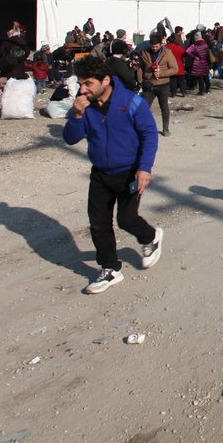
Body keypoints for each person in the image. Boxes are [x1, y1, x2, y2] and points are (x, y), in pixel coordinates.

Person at [63, 56, 163, 294]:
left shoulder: (130, 102)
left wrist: (144, 168)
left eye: (88, 83)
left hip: (129, 172)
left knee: (126, 220)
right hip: (100, 173)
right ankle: (110, 269)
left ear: (105, 80)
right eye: (80, 83)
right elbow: (69, 138)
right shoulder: (84, 106)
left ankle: (151, 237)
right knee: (98, 224)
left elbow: (149, 134)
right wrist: (76, 115)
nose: (83, 89)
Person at [140, 33, 178, 136]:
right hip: (149, 84)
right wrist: (140, 80)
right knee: (144, 107)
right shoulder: (145, 52)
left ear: (161, 44)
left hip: (163, 84)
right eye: (153, 46)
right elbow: (140, 67)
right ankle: (144, 128)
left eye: (157, 46)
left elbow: (175, 69)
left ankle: (165, 128)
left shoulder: (167, 53)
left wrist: (161, 73)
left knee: (164, 107)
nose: (155, 48)